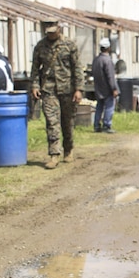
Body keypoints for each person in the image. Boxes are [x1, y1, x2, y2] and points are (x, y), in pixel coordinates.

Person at [30, 19, 84, 169]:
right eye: (49, 32)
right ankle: (54, 154)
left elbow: (77, 68)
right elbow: (35, 68)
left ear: (59, 29)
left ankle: (68, 148)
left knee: (67, 122)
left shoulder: (69, 45)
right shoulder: (40, 46)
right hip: (48, 89)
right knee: (52, 122)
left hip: (67, 89)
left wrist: (79, 89)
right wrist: (35, 86)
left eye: (53, 32)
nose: (51, 34)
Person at [92, 38, 119, 134]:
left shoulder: (96, 60)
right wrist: (114, 88)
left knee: (99, 106)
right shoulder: (107, 60)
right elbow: (110, 76)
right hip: (107, 88)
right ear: (108, 48)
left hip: (98, 87)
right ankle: (106, 125)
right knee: (109, 107)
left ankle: (96, 125)